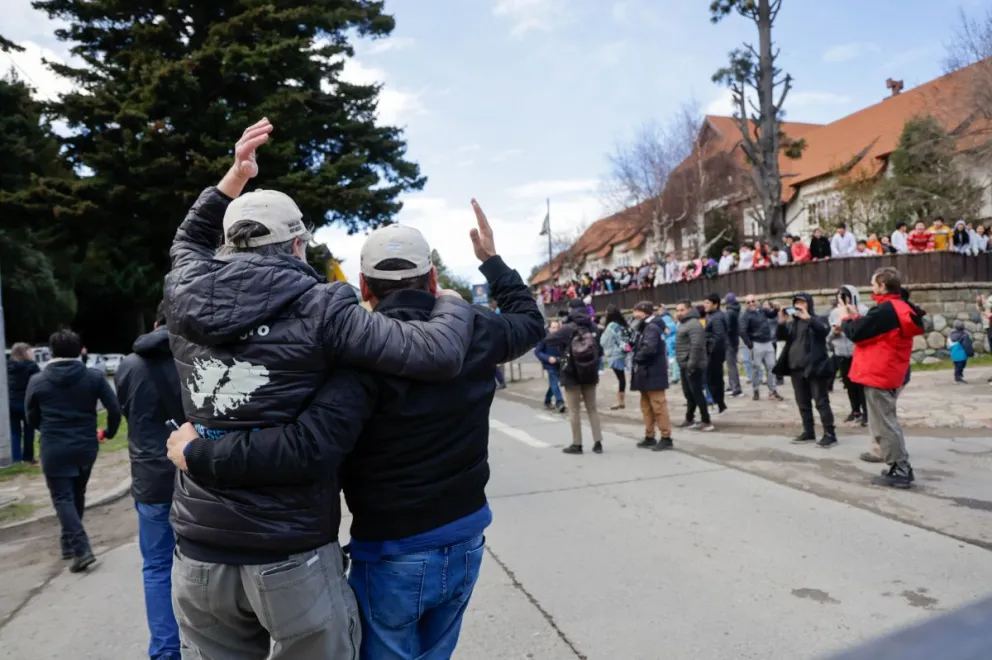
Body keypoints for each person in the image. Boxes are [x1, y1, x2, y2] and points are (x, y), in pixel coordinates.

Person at [166, 201, 544, 660]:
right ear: (432, 279)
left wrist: (200, 452)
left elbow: (307, 444)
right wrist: (490, 261)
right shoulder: (477, 328)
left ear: (364, 285)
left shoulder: (357, 354)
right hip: (466, 535)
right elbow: (529, 321)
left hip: (391, 546)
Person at [114, 301, 182, 660]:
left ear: (155, 323)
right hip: (195, 473)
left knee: (157, 566)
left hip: (150, 479)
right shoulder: (196, 359)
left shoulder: (129, 365)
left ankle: (166, 650)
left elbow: (127, 412)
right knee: (209, 564)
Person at [25, 329, 121, 572]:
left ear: (51, 352)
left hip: (54, 445)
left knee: (62, 498)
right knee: (77, 493)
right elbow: (114, 408)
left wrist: (45, 429)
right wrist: (109, 432)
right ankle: (68, 544)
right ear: (79, 351)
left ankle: (81, 548)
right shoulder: (94, 377)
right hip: (86, 445)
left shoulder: (38, 381)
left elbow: (31, 416)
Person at [840, 267, 925, 488]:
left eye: (873, 283)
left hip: (879, 373)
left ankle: (901, 469)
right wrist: (856, 317)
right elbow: (875, 331)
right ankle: (897, 464)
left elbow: (857, 333)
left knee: (884, 424)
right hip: (888, 371)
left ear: (883, 286)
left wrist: (845, 319)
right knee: (885, 422)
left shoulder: (886, 310)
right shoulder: (899, 306)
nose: (871, 287)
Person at [773, 294, 837, 448]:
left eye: (803, 302)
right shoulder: (793, 324)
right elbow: (780, 337)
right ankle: (808, 432)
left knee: (821, 402)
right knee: (803, 403)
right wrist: (781, 322)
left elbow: (824, 330)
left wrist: (808, 318)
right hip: (796, 368)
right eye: (797, 302)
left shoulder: (818, 319)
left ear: (809, 304)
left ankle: (830, 434)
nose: (799, 305)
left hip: (815, 368)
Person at [548, 299, 605, 454]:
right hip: (590, 372)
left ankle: (577, 444)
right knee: (592, 409)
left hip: (571, 374)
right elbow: (600, 350)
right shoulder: (594, 327)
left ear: (571, 309)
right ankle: (598, 442)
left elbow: (548, 340)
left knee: (574, 410)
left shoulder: (567, 328)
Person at [630, 301, 674, 450]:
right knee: (646, 406)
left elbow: (649, 348)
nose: (634, 314)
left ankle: (666, 437)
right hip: (645, 372)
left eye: (636, 311)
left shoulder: (652, 327)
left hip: (653, 372)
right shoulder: (644, 326)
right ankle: (649, 435)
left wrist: (636, 358)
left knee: (658, 406)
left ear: (644, 312)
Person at [829, 285, 869, 427]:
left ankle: (867, 413)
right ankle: (855, 410)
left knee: (861, 385)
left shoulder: (863, 310)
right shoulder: (834, 313)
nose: (841, 299)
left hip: (858, 353)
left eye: (844, 296)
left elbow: (864, 330)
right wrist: (834, 332)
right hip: (842, 353)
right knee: (848, 384)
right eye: (839, 296)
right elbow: (829, 335)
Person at [674, 300, 714, 431]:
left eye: (682, 310)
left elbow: (696, 346)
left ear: (689, 310)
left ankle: (706, 420)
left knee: (697, 393)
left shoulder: (693, 324)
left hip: (693, 365)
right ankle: (689, 418)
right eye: (677, 310)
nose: (679, 313)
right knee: (689, 394)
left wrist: (691, 364)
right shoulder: (683, 323)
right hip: (684, 364)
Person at [739, 295, 783, 402]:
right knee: (756, 369)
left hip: (768, 342)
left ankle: (773, 391)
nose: (751, 304)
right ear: (745, 304)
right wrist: (750, 345)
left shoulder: (762, 310)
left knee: (772, 367)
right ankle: (756, 390)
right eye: (748, 302)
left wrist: (776, 309)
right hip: (756, 343)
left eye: (753, 301)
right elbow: (742, 331)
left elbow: (772, 315)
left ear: (757, 301)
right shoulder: (745, 315)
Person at [7, 343, 40, 464]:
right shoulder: (31, 366)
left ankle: (15, 458)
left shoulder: (7, 366)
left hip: (11, 402)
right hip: (27, 402)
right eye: (29, 350)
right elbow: (38, 383)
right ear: (24, 352)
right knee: (29, 431)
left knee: (14, 432)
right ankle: (28, 457)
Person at [600, 305, 631, 410]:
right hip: (623, 352)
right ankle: (621, 401)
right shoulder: (622, 324)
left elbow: (604, 341)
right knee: (621, 378)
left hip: (614, 354)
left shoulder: (611, 326)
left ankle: (620, 401)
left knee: (620, 378)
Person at [702, 293, 729, 414]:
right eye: (704, 302)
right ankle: (719, 404)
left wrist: (709, 349)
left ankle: (716, 403)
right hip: (713, 353)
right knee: (714, 379)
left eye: (707, 303)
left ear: (715, 304)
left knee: (713, 380)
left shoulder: (717, 317)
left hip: (714, 354)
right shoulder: (711, 315)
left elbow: (719, 337)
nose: (705, 305)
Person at [535, 319, 566, 413]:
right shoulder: (545, 338)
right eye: (553, 327)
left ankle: (547, 400)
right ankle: (560, 402)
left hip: (559, 363)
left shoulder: (561, 337)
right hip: (550, 365)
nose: (555, 330)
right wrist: (548, 358)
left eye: (557, 327)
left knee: (553, 384)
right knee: (555, 382)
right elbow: (537, 352)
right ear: (549, 328)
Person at [724, 293, 743, 397]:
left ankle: (736, 388)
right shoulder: (737, 310)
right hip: (735, 339)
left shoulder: (729, 312)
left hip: (729, 341)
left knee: (731, 365)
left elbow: (726, 327)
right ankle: (732, 385)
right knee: (731, 364)